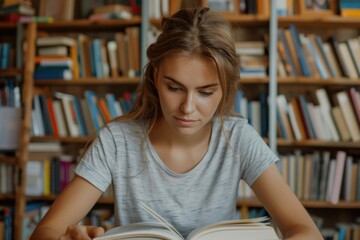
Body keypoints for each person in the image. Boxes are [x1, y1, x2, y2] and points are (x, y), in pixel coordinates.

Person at [31, 7, 322, 240]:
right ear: (155, 76)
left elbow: (305, 230)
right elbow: (45, 231)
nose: (187, 107)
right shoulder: (116, 141)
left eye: (206, 92)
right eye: (174, 87)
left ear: (225, 88)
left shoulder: (238, 138)